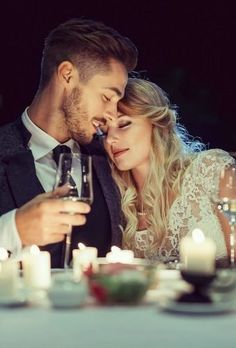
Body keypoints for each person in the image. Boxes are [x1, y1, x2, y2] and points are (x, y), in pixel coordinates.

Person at [0, 18, 138, 267]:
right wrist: (12, 229)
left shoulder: (110, 158)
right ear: (67, 74)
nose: (112, 113)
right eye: (107, 97)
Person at [103, 77, 234, 264]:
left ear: (156, 123)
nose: (110, 140)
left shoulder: (213, 170)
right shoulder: (118, 203)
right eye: (104, 132)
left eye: (123, 124)